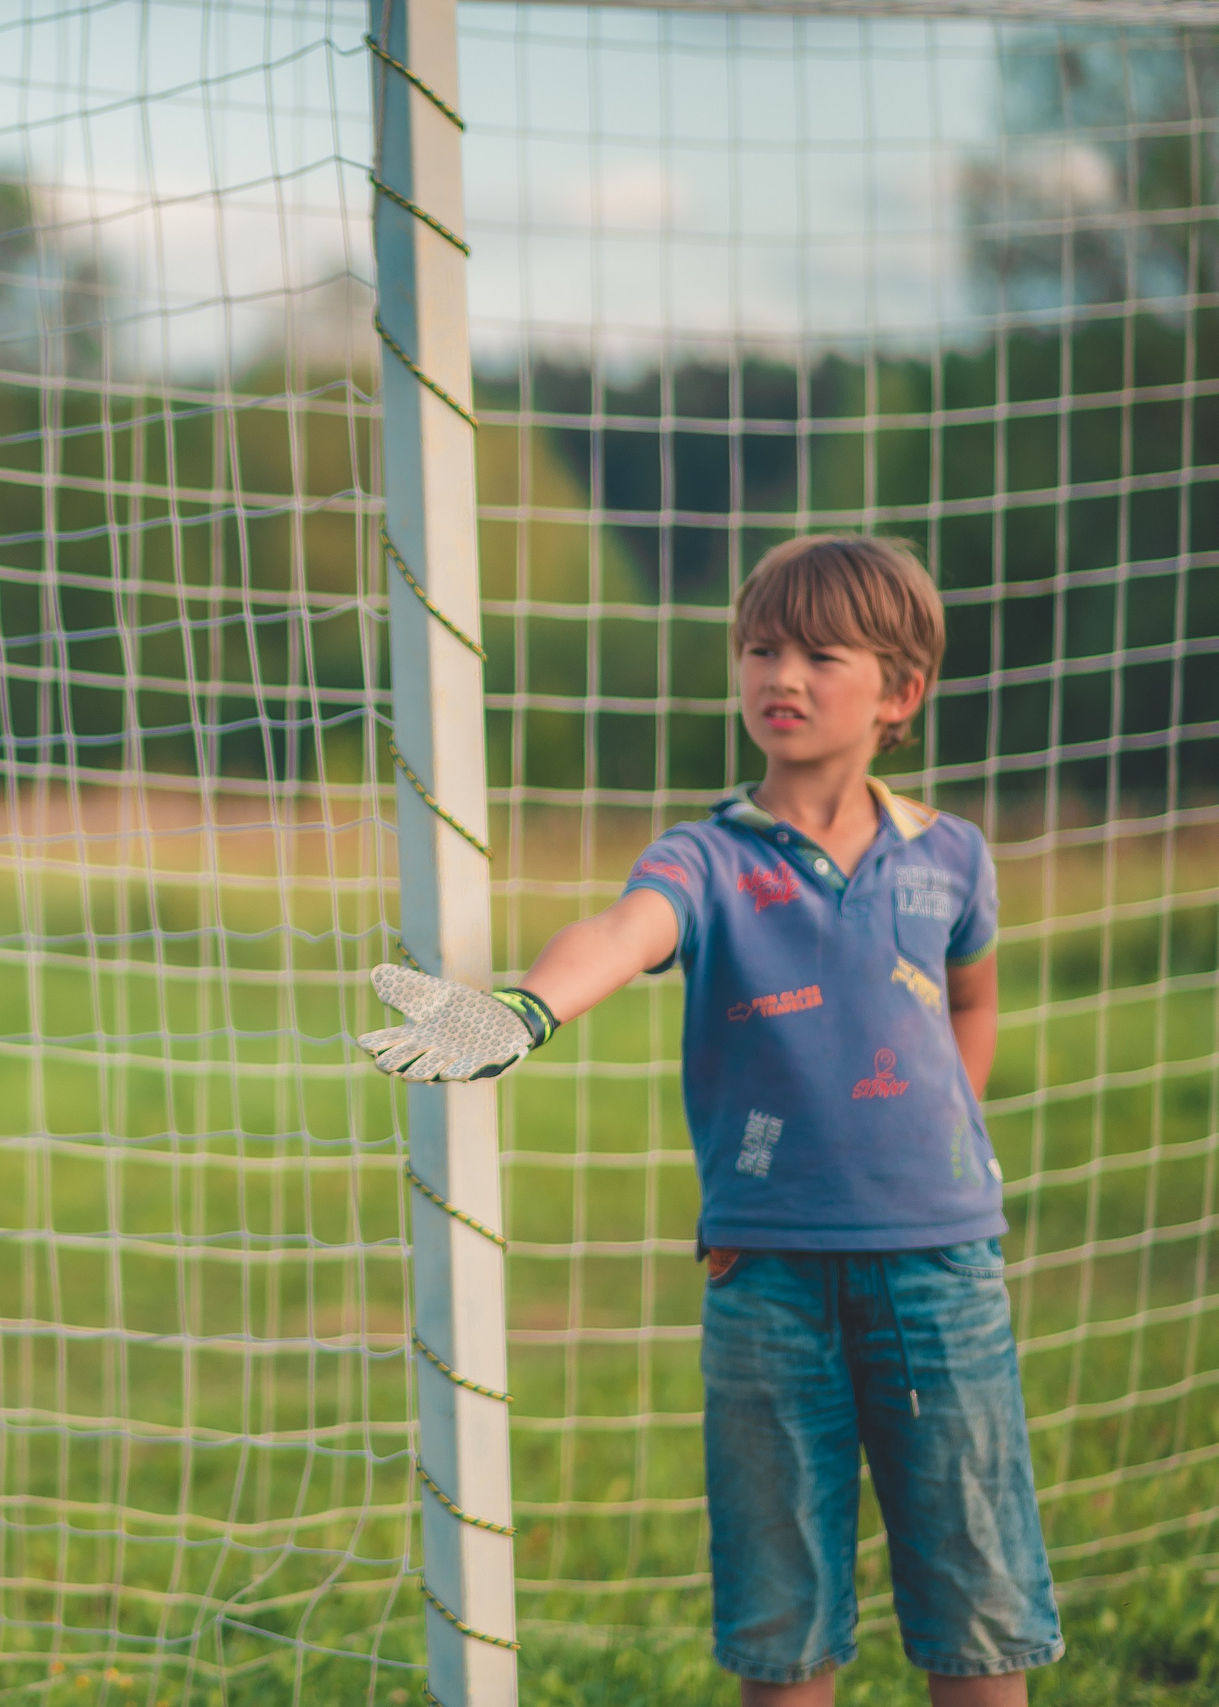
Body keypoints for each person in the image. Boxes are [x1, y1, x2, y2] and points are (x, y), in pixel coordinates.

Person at [358, 536, 1059, 1705]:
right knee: (781, 1620)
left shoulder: (951, 855)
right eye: (760, 648)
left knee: (980, 1605)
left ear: (899, 691)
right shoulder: (707, 858)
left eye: (819, 655)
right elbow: (619, 931)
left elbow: (971, 998)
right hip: (766, 1280)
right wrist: (525, 1009)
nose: (780, 674)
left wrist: (948, 1141)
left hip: (943, 1273)